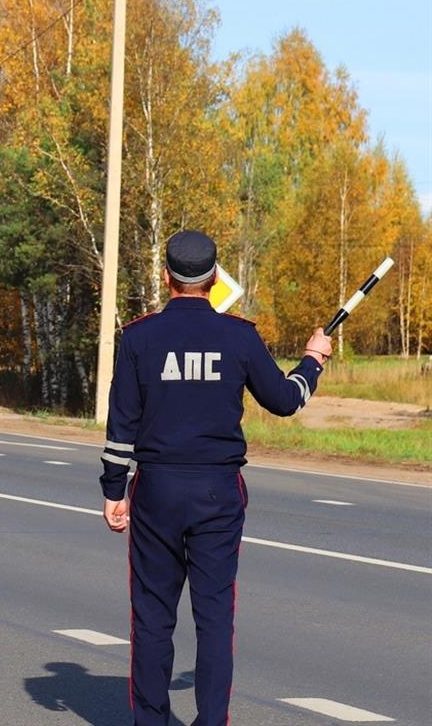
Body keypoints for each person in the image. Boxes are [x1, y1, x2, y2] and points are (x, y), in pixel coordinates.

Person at [99, 230, 332, 726]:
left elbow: (121, 422)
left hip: (155, 490)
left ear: (167, 277)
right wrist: (313, 361)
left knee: (153, 618)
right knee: (213, 620)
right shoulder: (239, 336)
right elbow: (286, 400)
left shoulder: (139, 337)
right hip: (218, 492)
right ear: (214, 277)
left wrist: (113, 490)